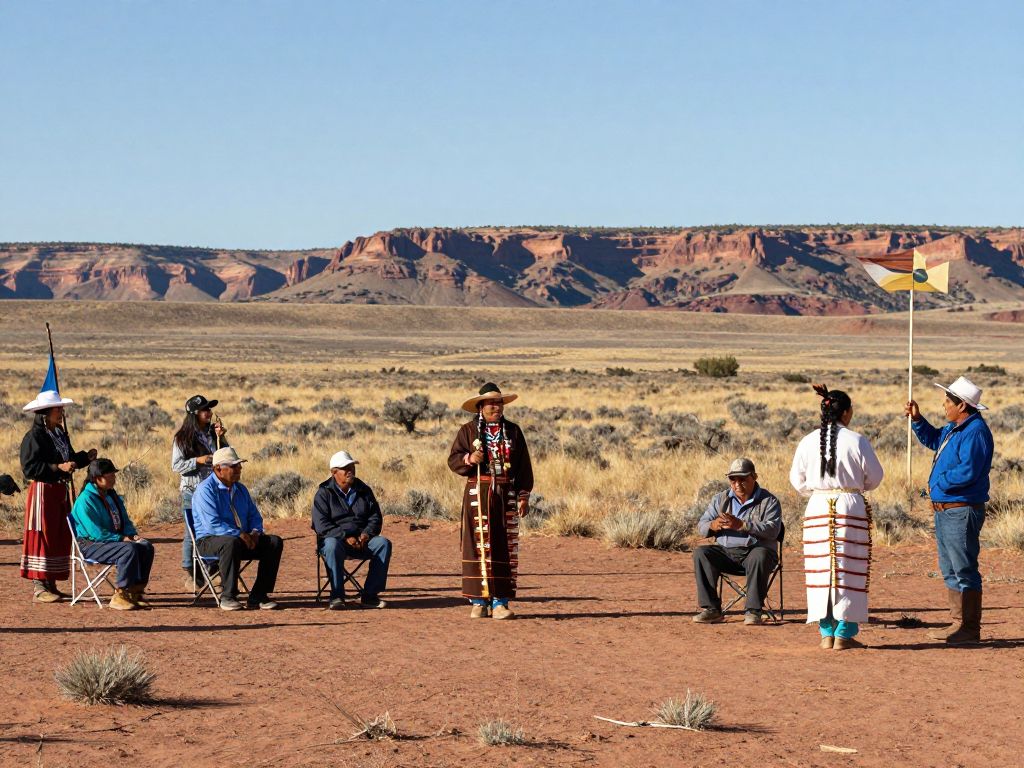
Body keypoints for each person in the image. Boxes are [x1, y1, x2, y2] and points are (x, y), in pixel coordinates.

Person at [791, 384, 884, 650]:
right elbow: (875, 477)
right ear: (846, 412)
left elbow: (797, 481)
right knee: (848, 570)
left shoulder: (807, 441)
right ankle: (844, 633)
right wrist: (853, 488)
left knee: (822, 571)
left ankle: (826, 633)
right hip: (849, 506)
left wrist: (819, 491)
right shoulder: (857, 440)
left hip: (818, 507)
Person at [905, 376, 994, 645]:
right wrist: (918, 420)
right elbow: (934, 440)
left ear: (963, 405)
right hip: (946, 510)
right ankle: (958, 623)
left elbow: (969, 470)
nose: (944, 405)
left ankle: (969, 628)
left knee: (964, 568)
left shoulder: (976, 432)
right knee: (950, 567)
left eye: (948, 401)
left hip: (961, 509)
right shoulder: (955, 428)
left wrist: (939, 484)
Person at [448, 383, 533, 620]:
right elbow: (453, 459)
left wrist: (523, 495)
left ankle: (500, 602)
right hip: (477, 491)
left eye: (499, 403)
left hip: (504, 494)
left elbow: (523, 466)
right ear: (481, 407)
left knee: (502, 547)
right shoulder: (467, 431)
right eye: (491, 403)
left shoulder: (513, 432)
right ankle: (478, 602)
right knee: (476, 546)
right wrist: (469, 458)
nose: (496, 407)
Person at [20, 389, 97, 602]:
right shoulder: (34, 437)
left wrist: (83, 458)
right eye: (57, 408)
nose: (61, 412)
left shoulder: (60, 433)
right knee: (42, 535)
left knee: (58, 535)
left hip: (59, 492)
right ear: (46, 412)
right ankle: (39, 587)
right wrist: (57, 467)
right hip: (43, 492)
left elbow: (68, 459)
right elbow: (29, 467)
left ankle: (51, 583)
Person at [692, 458, 783, 626]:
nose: (737, 484)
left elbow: (773, 530)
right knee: (701, 553)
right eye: (733, 479)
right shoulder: (720, 499)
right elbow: (701, 526)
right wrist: (713, 525)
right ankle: (712, 610)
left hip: (757, 553)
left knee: (760, 555)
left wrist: (743, 525)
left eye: (743, 479)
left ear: (754, 477)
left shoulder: (769, 501)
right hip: (727, 553)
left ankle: (754, 611)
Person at [191, 446, 283, 611]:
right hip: (209, 541)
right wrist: (240, 534)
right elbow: (212, 524)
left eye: (239, 465)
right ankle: (228, 596)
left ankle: (259, 595)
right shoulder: (205, 490)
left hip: (242, 539)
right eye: (234, 466)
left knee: (274, 542)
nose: (239, 469)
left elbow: (255, 516)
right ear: (218, 469)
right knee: (230, 543)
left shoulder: (240, 489)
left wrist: (255, 533)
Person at [70, 458, 155, 610]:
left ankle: (135, 592)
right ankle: (120, 594)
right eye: (111, 476)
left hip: (110, 541)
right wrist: (121, 538)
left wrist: (132, 535)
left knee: (146, 546)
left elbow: (124, 520)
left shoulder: (111, 495)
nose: (114, 479)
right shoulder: (85, 500)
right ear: (98, 478)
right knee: (128, 549)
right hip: (91, 544)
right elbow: (95, 532)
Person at [312, 451, 392, 610]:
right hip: (336, 542)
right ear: (334, 472)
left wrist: (366, 534)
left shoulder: (364, 490)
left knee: (383, 544)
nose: (350, 470)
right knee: (331, 545)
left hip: (363, 541)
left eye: (352, 466)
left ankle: (370, 595)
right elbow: (321, 525)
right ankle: (337, 595)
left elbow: (375, 517)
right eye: (345, 468)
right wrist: (344, 537)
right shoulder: (324, 493)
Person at [171, 394, 227, 590]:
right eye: (205, 410)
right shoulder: (182, 438)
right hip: (192, 491)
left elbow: (224, 455)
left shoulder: (212, 434)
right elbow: (176, 465)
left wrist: (222, 438)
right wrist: (199, 460)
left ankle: (213, 569)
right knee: (192, 532)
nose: (209, 413)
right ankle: (192, 573)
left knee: (214, 528)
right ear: (194, 414)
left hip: (213, 490)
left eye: (209, 409)